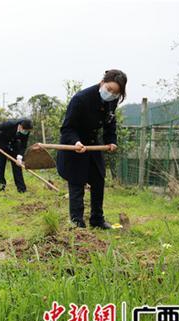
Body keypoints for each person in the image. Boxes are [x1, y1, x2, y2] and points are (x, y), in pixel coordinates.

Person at [56, 69, 127, 229]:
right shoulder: (80, 99)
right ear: (102, 83)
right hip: (74, 146)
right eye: (109, 89)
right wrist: (76, 142)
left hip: (93, 146)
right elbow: (67, 128)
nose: (111, 94)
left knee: (98, 180)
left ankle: (97, 219)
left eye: (116, 93)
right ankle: (77, 222)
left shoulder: (112, 101)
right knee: (77, 183)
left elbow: (110, 123)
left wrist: (111, 140)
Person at [0, 118, 33, 193]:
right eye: (25, 130)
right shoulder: (10, 124)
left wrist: (19, 157)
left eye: (27, 131)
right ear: (20, 126)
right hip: (2, 144)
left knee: (17, 166)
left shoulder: (26, 131)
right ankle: (1, 188)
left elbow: (23, 145)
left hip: (14, 145)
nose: (26, 132)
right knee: (0, 166)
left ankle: (21, 189)